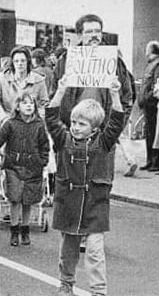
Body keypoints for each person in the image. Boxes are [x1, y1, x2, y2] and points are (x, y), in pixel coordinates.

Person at [46, 77, 125, 296]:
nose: (76, 128)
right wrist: (61, 90)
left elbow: (117, 121)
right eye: (74, 122)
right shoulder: (63, 139)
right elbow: (51, 118)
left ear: (95, 127)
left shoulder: (103, 141)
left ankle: (99, 291)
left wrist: (116, 94)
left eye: (82, 124)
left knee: (95, 251)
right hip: (69, 202)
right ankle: (66, 283)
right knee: (68, 249)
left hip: (95, 205)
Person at [0, 92, 49, 246]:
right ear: (18, 106)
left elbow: (44, 146)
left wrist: (42, 161)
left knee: (28, 200)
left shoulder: (39, 126)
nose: (28, 106)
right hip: (13, 167)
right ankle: (14, 230)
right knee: (15, 198)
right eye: (25, 103)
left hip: (33, 168)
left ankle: (25, 230)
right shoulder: (10, 124)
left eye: (31, 103)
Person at [53, 14, 133, 128]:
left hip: (104, 133)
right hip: (73, 130)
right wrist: (62, 127)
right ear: (80, 35)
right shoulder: (66, 61)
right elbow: (52, 95)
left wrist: (115, 128)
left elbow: (127, 98)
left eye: (98, 31)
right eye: (89, 32)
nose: (94, 35)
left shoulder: (115, 61)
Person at [0, 46, 49, 122]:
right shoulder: (0, 79)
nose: (20, 64)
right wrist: (3, 118)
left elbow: (43, 104)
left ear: (28, 61)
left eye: (23, 61)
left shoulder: (39, 80)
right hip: (7, 123)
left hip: (31, 124)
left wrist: (37, 120)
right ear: (12, 62)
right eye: (16, 61)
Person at [135, 40, 159, 173]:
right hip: (148, 105)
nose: (145, 50)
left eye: (147, 48)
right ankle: (149, 160)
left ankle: (156, 162)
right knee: (149, 133)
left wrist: (147, 98)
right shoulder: (151, 65)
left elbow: (156, 85)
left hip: (153, 105)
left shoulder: (157, 65)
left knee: (155, 133)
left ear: (152, 50)